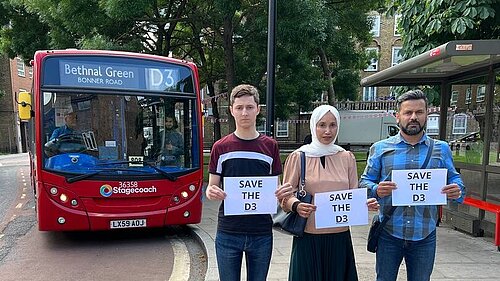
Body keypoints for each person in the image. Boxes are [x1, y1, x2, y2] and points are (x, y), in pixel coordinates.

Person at [359, 89, 465, 281]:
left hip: (425, 234)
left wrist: (457, 189)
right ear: (397, 116)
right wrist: (376, 189)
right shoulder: (381, 148)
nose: (413, 117)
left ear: (427, 114)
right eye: (408, 113)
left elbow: (455, 180)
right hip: (390, 232)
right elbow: (364, 182)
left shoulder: (441, 149)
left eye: (419, 112)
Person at [276, 104, 379, 281]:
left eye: (332, 125)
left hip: (339, 236)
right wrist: (297, 205)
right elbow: (285, 196)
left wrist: (364, 204)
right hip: (308, 236)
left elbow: (352, 194)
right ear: (313, 126)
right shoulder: (299, 156)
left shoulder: (346, 157)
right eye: (322, 125)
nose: (327, 131)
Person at [205, 84, 284, 281]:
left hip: (261, 232)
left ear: (258, 109)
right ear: (231, 110)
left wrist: (282, 193)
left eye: (249, 107)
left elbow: (276, 186)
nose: (244, 112)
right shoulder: (220, 147)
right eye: (239, 107)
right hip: (228, 232)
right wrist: (212, 192)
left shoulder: (270, 146)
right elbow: (211, 186)